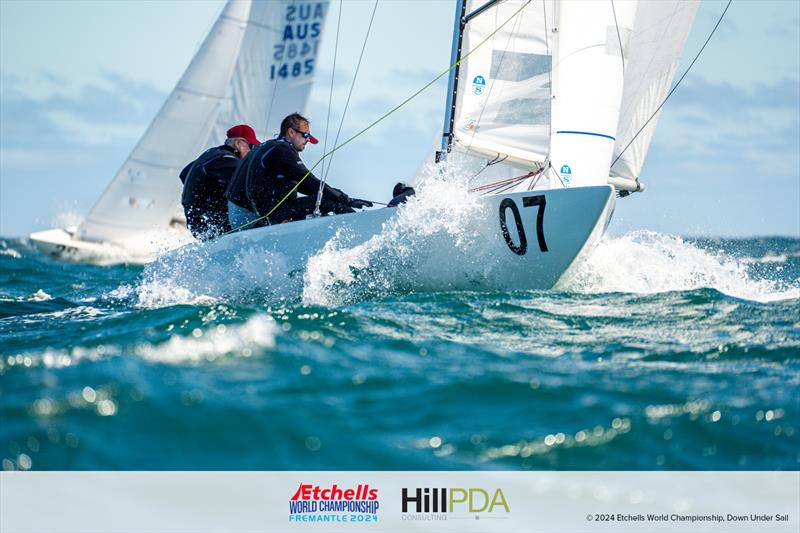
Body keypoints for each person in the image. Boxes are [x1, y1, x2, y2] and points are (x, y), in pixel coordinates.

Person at [226, 113, 372, 229]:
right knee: (329, 202)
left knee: (326, 195)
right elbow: (310, 183)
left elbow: (305, 186)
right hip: (253, 219)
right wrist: (347, 200)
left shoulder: (268, 147)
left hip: (243, 218)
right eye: (306, 135)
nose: (308, 140)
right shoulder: (282, 150)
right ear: (291, 132)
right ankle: (361, 228)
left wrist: (339, 194)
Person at [179, 125, 260, 240]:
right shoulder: (226, 159)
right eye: (252, 147)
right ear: (238, 144)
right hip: (212, 223)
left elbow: (184, 173)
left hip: (199, 223)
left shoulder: (212, 154)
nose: (252, 153)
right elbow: (249, 184)